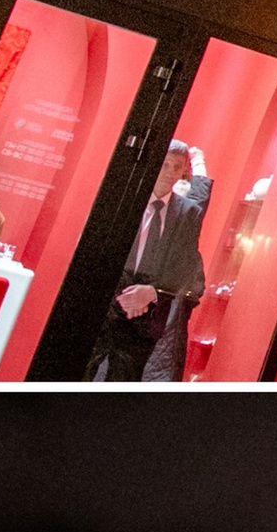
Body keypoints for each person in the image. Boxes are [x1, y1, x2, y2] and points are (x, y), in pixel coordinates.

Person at [89, 141, 209, 383]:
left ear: (182, 171)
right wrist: (123, 297)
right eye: (164, 165)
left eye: (176, 167)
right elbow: (97, 247)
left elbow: (184, 264)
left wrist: (152, 293)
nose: (169, 172)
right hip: (104, 309)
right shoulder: (123, 197)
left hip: (146, 320)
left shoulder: (188, 212)